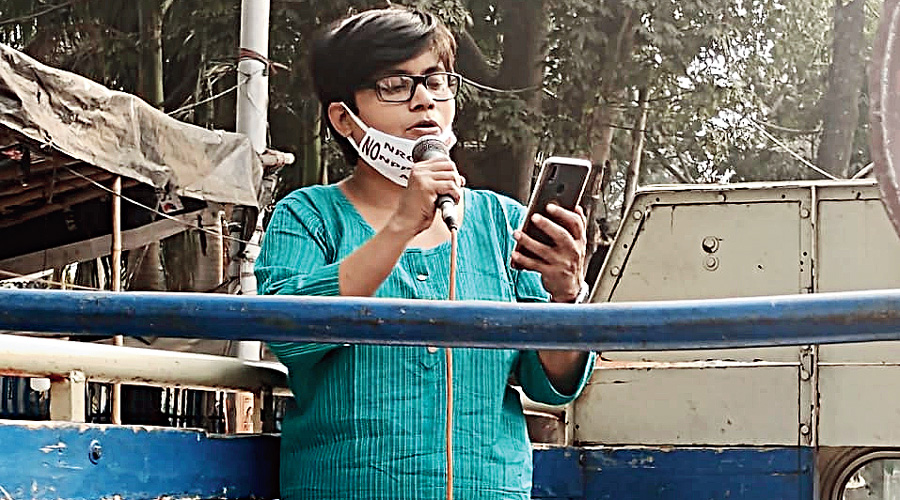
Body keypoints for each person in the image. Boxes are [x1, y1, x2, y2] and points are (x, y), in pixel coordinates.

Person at [255, 6, 596, 499]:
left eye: (436, 82)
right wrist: (400, 226)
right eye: (395, 85)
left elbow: (550, 384)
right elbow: (290, 336)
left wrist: (567, 296)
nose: (424, 101)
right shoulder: (307, 216)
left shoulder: (501, 223)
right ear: (343, 119)